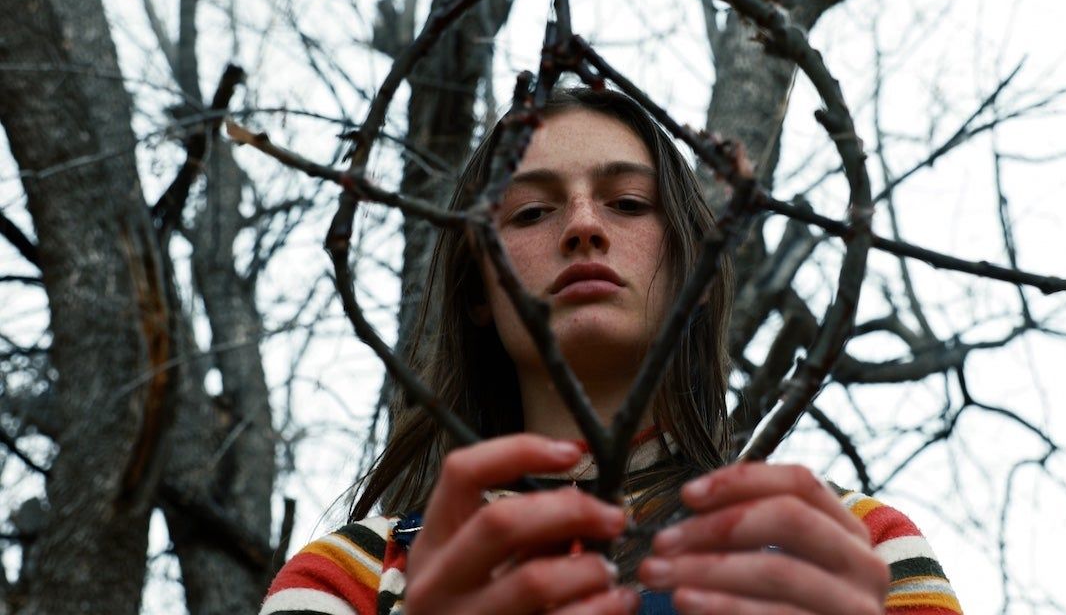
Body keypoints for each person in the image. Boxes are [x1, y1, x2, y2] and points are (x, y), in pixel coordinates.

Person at [261, 87, 963, 615]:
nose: (583, 227)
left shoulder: (855, 544)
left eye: (627, 202)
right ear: (478, 288)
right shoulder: (350, 574)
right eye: (531, 212)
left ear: (688, 260)